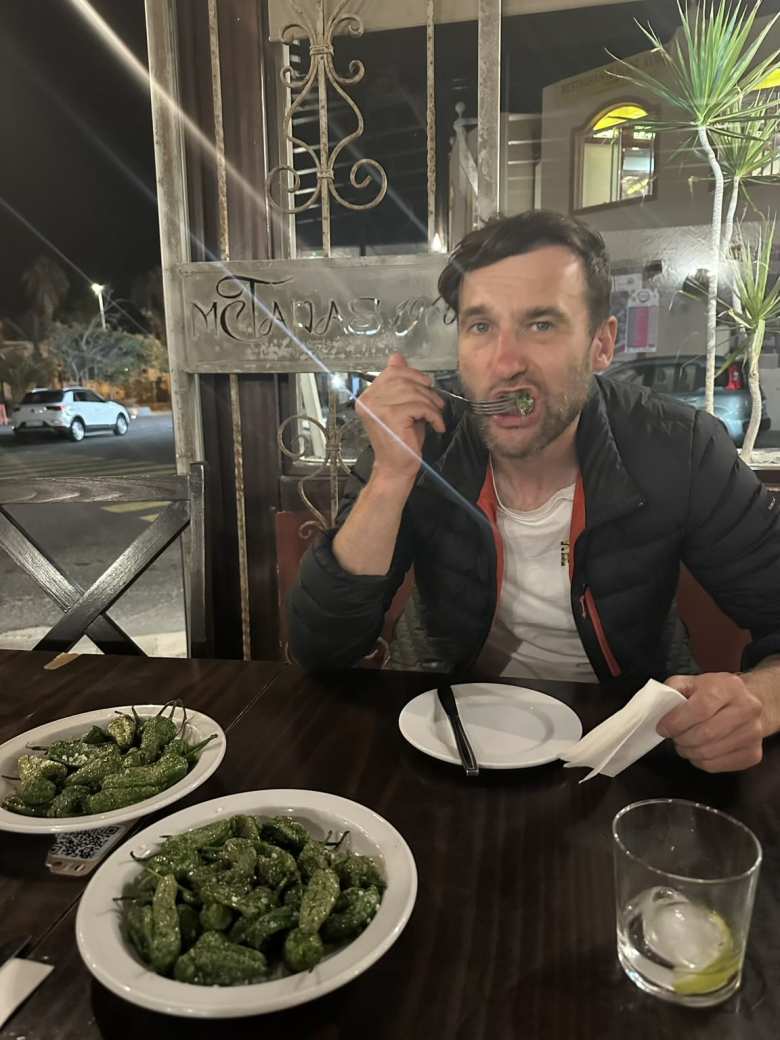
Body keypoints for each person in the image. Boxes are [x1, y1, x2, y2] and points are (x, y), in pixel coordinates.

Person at [288, 210, 780, 773]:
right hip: (440, 728)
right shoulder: (420, 438)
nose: (505, 363)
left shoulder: (680, 448)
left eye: (541, 324)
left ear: (601, 344)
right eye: (480, 326)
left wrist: (757, 703)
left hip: (625, 740)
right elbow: (321, 650)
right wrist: (391, 478)